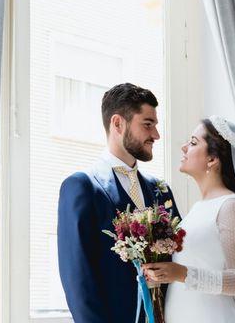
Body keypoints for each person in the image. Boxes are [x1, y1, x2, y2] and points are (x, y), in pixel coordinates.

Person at [57, 83, 180, 323]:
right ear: (117, 123)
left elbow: (179, 257)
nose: (156, 135)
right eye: (147, 124)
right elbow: (78, 279)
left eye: (156, 125)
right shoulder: (82, 187)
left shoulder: (160, 189)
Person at [143, 116, 235, 323]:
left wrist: (182, 274)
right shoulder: (197, 209)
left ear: (212, 159)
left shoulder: (231, 207)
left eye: (193, 142)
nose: (184, 147)